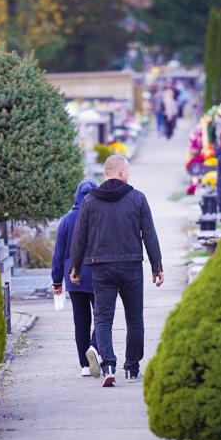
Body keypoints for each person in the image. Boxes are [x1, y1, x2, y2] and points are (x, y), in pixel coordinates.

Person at [69, 155, 164, 386]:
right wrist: (156, 266)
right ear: (121, 172)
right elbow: (149, 234)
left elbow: (80, 236)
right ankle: (132, 368)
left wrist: (75, 266)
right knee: (134, 318)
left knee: (102, 319)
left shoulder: (90, 201)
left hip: (101, 268)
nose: (129, 174)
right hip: (130, 265)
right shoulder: (137, 198)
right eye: (128, 170)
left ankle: (108, 366)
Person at [51, 179, 101, 377]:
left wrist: (56, 282)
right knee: (102, 319)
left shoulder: (67, 220)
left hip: (75, 278)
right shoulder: (101, 217)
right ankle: (95, 349)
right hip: (99, 276)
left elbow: (58, 254)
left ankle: (84, 364)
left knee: (81, 323)